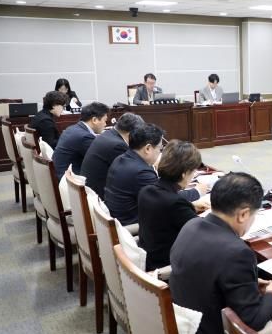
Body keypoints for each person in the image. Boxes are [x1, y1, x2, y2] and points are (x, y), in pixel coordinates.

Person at [170, 172, 272, 334]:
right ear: (243, 214)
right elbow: (253, 322)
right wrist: (270, 294)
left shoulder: (190, 226)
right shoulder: (237, 252)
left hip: (185, 332)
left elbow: (206, 272)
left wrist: (247, 283)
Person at [104, 124, 202, 225]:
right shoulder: (141, 172)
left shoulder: (121, 158)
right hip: (133, 225)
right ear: (148, 149)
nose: (160, 153)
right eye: (160, 149)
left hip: (121, 218)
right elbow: (167, 198)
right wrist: (198, 191)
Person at [138, 140, 203, 271]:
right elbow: (203, 234)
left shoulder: (146, 191)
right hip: (168, 266)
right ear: (184, 173)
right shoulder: (175, 204)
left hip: (149, 257)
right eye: (193, 172)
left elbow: (165, 214)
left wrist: (189, 207)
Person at [80, 113, 144, 200]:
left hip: (90, 190)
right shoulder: (118, 145)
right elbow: (130, 174)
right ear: (132, 134)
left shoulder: (107, 134)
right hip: (99, 196)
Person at [52, 102, 109, 180]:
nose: (105, 124)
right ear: (94, 120)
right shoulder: (84, 137)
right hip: (69, 180)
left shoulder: (73, 128)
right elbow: (102, 159)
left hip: (60, 173)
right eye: (105, 120)